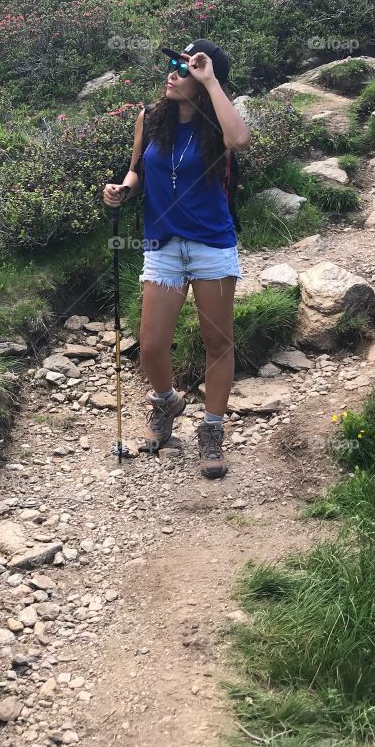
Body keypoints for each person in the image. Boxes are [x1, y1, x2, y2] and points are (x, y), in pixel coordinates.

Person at [102, 39, 250, 478]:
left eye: (184, 68)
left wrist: (210, 81)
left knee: (217, 342)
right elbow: (137, 169)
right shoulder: (150, 118)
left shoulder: (215, 121)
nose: (172, 73)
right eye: (172, 64)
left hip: (210, 245)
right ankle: (167, 402)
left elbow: (239, 139)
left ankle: (212, 429)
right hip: (163, 244)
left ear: (205, 78)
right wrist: (122, 189)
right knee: (150, 345)